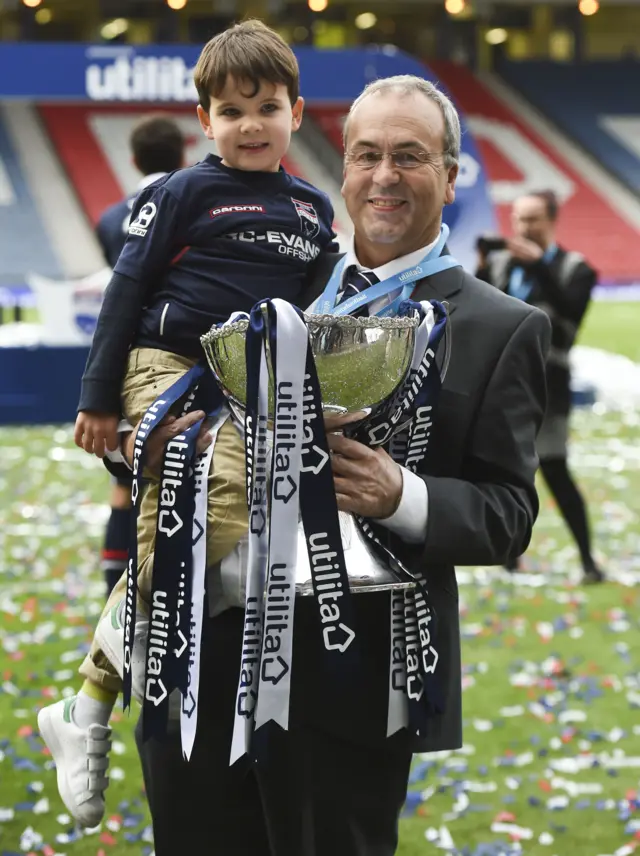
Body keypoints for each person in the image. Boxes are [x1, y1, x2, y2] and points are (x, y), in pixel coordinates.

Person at [131, 74, 551, 856]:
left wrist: (404, 496)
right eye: (366, 155)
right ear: (344, 167)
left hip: (349, 681)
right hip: (200, 656)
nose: (384, 176)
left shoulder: (502, 327)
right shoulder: (268, 279)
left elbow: (509, 514)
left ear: (451, 177)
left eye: (410, 156)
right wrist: (148, 445)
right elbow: (167, 390)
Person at [36, 20, 337, 829]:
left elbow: (315, 308)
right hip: (164, 370)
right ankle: (112, 705)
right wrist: (99, 399)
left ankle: (92, 700)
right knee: (213, 505)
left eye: (266, 106)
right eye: (230, 110)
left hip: (250, 390)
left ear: (297, 113)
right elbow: (123, 295)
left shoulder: (314, 210)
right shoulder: (178, 193)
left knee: (199, 534)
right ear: (203, 121)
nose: (249, 124)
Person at [476, 190, 605, 584]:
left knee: (553, 468)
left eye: (532, 220)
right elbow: (478, 313)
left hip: (549, 386)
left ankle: (587, 559)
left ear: (552, 221)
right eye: (518, 219)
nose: (523, 228)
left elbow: (569, 317)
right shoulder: (500, 263)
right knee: (501, 472)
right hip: (500, 385)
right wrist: (481, 268)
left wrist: (540, 268)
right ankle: (509, 558)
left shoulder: (576, 268)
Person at [95, 114, 186, 597]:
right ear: (183, 156)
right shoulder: (191, 204)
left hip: (121, 356)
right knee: (182, 471)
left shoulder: (110, 219)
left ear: (132, 160)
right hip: (176, 354)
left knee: (125, 477)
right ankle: (163, 587)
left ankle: (118, 584)